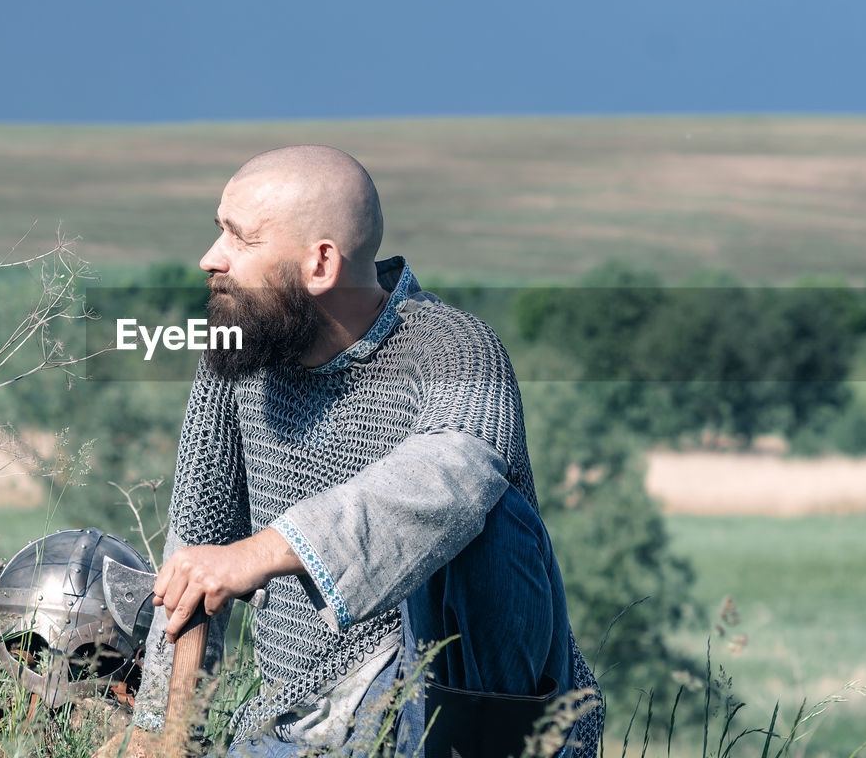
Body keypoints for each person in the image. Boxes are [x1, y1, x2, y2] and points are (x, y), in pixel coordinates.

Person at [117, 146, 602, 757]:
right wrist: (160, 732)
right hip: (299, 719)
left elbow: (450, 479)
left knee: (489, 513)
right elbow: (195, 556)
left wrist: (265, 553)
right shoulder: (238, 353)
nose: (210, 260)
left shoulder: (456, 351)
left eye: (238, 240)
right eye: (219, 232)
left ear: (321, 264)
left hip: (464, 708)